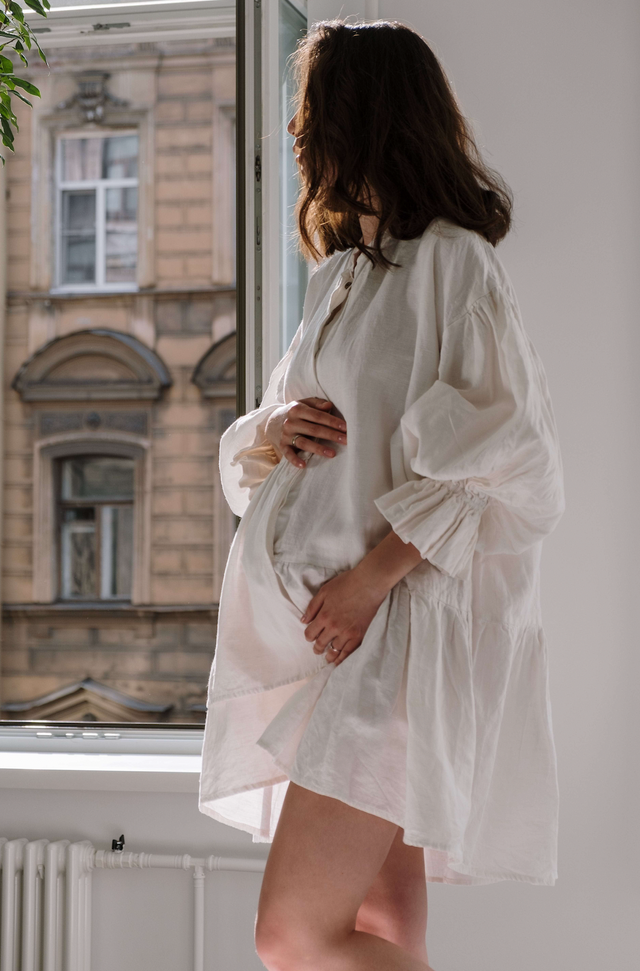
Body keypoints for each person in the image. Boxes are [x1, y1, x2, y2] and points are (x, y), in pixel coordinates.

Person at [199, 19, 565, 971]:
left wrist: (371, 577)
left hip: (396, 631)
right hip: (340, 643)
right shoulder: (344, 278)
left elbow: (509, 452)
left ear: (360, 117)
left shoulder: (453, 262)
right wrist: (276, 428)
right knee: (384, 926)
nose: (295, 132)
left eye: (310, 110)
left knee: (293, 933)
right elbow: (279, 441)